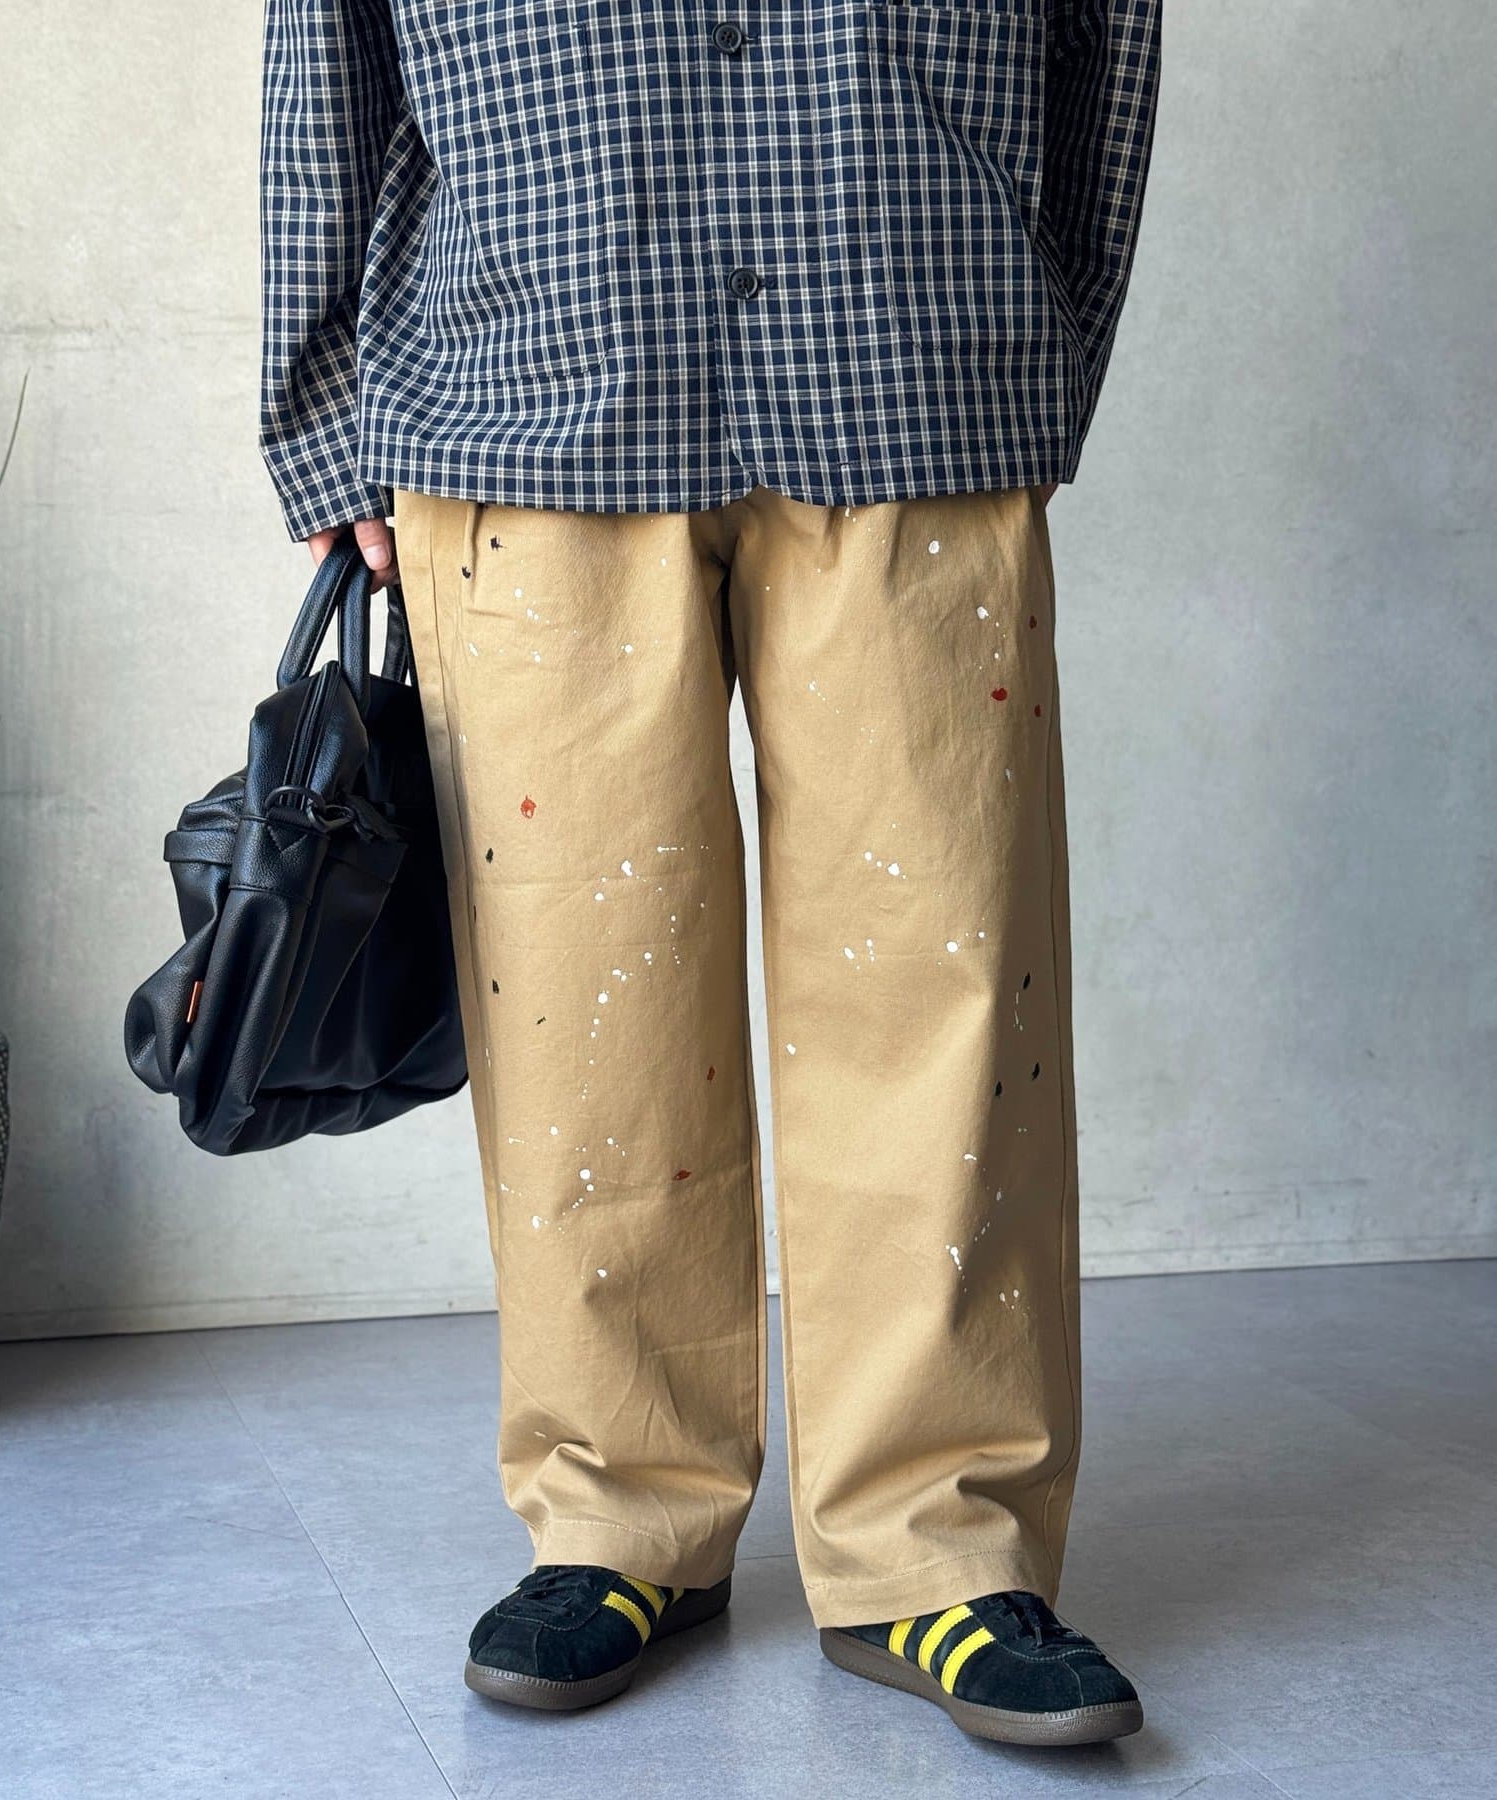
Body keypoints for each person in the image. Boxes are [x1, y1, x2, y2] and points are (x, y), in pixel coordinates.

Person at [260, 0, 1161, 1747]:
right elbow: (326, 39)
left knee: (943, 980)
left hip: (911, 349)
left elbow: (1108, 39)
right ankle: (619, 1512)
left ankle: (936, 1542)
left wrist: (1031, 341)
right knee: (579, 992)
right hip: (530, 373)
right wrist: (323, 409)